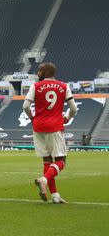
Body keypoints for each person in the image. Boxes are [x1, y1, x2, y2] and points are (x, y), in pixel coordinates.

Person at [24, 62, 78, 204]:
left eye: (39, 71)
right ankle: (44, 180)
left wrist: (32, 118)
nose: (37, 73)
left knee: (47, 161)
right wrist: (67, 118)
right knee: (61, 161)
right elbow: (74, 109)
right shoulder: (64, 86)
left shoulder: (35, 86)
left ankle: (55, 195)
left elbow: (25, 106)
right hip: (54, 126)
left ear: (45, 72)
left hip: (38, 127)